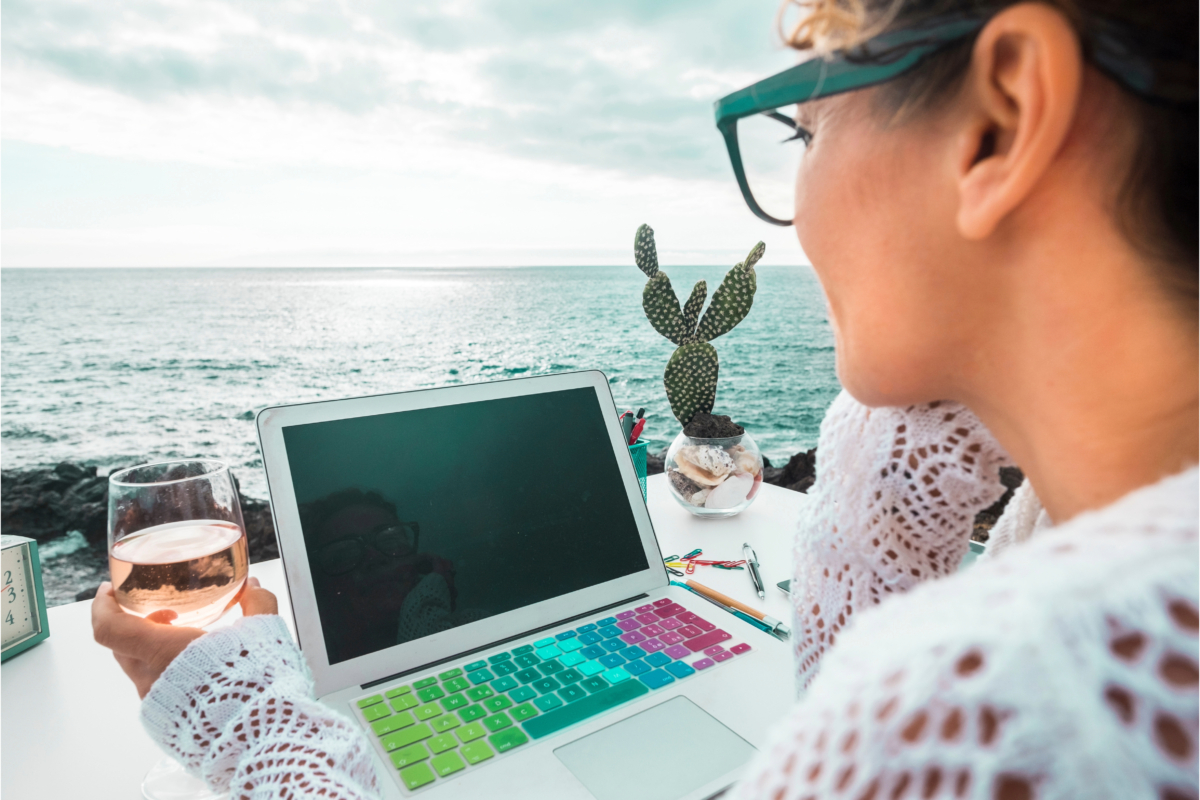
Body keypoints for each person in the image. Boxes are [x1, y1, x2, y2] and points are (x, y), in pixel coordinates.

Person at [92, 1, 1197, 798]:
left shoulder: (1016, 691)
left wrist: (241, 710)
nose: (795, 210)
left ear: (1003, 116)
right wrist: (975, 376)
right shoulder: (1087, 552)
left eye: (799, 128)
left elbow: (879, 708)